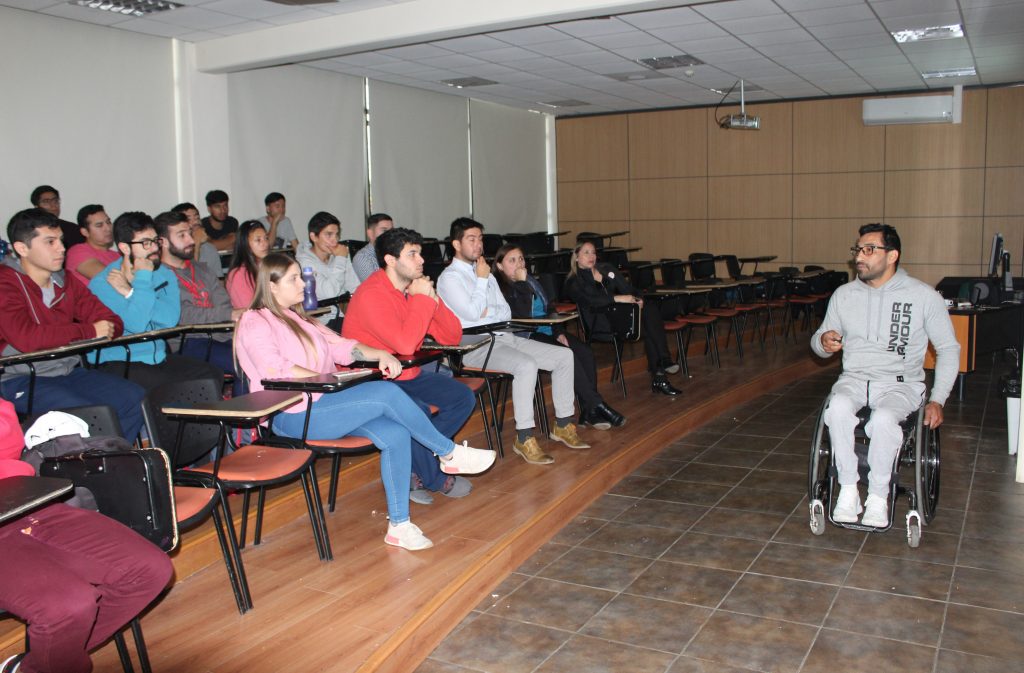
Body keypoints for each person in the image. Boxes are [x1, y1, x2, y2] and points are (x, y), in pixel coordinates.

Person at [235, 253, 496, 550]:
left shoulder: (298, 318)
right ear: (271, 286)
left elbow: (342, 346)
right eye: (294, 278)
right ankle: (448, 454)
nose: (304, 283)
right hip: (292, 413)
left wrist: (378, 354)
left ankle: (399, 525)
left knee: (396, 434)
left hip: (323, 402)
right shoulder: (254, 321)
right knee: (386, 394)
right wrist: (324, 379)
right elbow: (273, 367)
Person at [0, 401, 173, 673]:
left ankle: (38, 665)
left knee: (150, 570)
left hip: (26, 498)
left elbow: (7, 437)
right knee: (68, 606)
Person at [811, 223, 959, 528]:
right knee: (836, 408)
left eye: (868, 250)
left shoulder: (923, 296)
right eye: (857, 250)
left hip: (900, 384)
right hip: (854, 379)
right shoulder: (844, 294)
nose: (859, 258)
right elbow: (820, 341)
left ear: (892, 256)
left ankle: (879, 495)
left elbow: (948, 349)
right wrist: (824, 342)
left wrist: (938, 399)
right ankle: (849, 488)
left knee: (882, 419)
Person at [437, 217, 588, 465]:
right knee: (526, 365)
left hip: (505, 337)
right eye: (471, 239)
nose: (478, 245)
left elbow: (504, 312)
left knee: (564, 355)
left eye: (481, 239)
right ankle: (524, 437)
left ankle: (562, 424)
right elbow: (473, 315)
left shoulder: (486, 274)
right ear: (456, 244)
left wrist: (486, 307)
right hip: (475, 346)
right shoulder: (450, 278)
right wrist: (483, 282)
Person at [342, 227, 477, 504]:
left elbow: (452, 337)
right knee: (417, 412)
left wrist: (433, 300)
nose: (421, 260)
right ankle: (435, 477)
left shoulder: (410, 290)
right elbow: (405, 345)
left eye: (420, 253)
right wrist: (421, 300)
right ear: (391, 260)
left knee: (462, 397)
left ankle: (417, 464)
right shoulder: (371, 294)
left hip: (405, 375)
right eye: (412, 254)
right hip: (372, 382)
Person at [0, 209, 145, 440]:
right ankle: (101, 467)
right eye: (50, 242)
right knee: (92, 415)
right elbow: (27, 339)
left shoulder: (66, 281)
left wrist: (92, 330)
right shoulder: (5, 284)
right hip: (21, 377)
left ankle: (117, 465)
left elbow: (112, 322)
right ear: (22, 248)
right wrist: (88, 331)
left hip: (67, 370)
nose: (61, 248)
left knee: (134, 398)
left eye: (60, 241)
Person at [493, 243, 625, 430]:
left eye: (521, 259)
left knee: (585, 351)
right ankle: (598, 405)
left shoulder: (530, 280)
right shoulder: (500, 288)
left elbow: (549, 308)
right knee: (566, 353)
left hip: (548, 329)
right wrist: (522, 283)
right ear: (499, 266)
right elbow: (521, 317)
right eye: (512, 260)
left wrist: (559, 331)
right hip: (527, 336)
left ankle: (589, 410)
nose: (519, 264)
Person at [88, 211, 224, 391]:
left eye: (155, 241)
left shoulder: (164, 274)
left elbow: (169, 321)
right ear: (125, 248)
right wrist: (143, 278)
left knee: (210, 375)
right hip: (119, 359)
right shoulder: (104, 283)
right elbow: (137, 324)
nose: (154, 248)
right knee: (169, 388)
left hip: (158, 356)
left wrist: (129, 292)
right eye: (145, 243)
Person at [565, 241, 682, 397]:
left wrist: (638, 299)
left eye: (593, 252)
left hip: (621, 316)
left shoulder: (606, 269)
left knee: (649, 310)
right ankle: (661, 369)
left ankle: (662, 365)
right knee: (649, 325)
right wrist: (618, 298)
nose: (591, 256)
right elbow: (592, 301)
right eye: (586, 252)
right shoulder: (574, 281)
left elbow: (629, 289)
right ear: (576, 257)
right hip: (600, 323)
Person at [155, 210, 240, 390]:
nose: (191, 241)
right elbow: (182, 315)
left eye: (190, 234)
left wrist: (228, 317)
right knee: (245, 364)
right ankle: (243, 415)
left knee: (265, 355)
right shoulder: (157, 276)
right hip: (188, 341)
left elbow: (223, 302)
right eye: (182, 235)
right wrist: (228, 315)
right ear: (162, 242)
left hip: (222, 335)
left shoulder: (202, 269)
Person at [295, 211, 360, 330]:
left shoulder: (338, 255)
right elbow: (329, 293)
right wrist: (340, 259)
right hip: (320, 323)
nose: (334, 240)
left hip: (345, 317)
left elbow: (355, 287)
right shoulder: (303, 263)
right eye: (329, 235)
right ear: (313, 236)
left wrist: (344, 259)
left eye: (336, 235)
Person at [64, 205, 118, 286]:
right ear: (85, 232)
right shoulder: (77, 252)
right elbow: (110, 279)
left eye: (108, 222)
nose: (108, 228)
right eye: (99, 225)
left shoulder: (117, 256)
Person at [226, 220, 271, 309]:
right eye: (258, 240)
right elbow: (249, 310)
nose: (265, 243)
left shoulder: (269, 267)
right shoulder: (238, 275)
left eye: (266, 238)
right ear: (245, 244)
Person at [171, 202, 222, 278]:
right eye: (188, 219)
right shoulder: (175, 249)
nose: (196, 222)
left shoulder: (209, 249)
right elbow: (190, 278)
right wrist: (196, 242)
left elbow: (218, 280)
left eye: (197, 218)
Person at [352, 213, 393, 282]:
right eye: (384, 231)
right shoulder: (363, 257)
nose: (391, 235)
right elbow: (374, 286)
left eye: (392, 231)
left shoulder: (394, 253)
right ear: (370, 234)